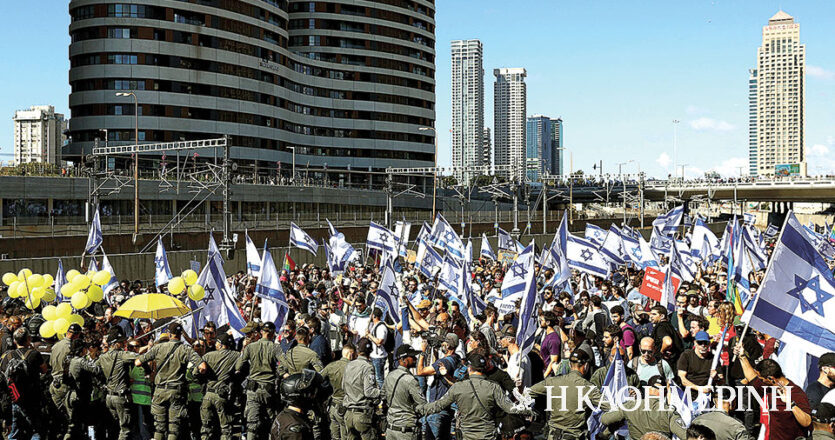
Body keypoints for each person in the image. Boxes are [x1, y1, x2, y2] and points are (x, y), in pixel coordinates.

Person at [420, 352, 531, 440]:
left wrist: (418, 408)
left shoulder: (458, 387)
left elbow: (437, 406)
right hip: (488, 435)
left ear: (469, 368)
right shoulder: (494, 387)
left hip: (467, 435)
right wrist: (529, 411)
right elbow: (511, 408)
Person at [135, 322, 206, 440]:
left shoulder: (158, 348)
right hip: (176, 392)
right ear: (181, 334)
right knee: (174, 428)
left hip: (160, 391)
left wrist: (149, 371)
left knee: (159, 428)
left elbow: (137, 362)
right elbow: (202, 367)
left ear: (169, 334)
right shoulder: (185, 349)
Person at [734, 344, 812, 440]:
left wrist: (791, 404)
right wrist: (742, 356)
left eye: (761, 379)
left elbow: (807, 421)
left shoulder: (796, 393)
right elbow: (751, 377)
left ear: (771, 378)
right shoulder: (769, 387)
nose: (760, 381)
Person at [529, 348, 609, 440]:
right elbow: (609, 406)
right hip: (574, 436)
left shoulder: (553, 381)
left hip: (553, 435)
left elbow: (528, 393)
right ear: (586, 365)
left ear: (570, 365)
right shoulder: (588, 388)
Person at [600, 375, 688, 440]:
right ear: (664, 393)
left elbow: (604, 419)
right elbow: (685, 436)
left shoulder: (630, 406)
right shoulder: (669, 412)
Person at [236, 321, 282, 440]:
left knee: (252, 424)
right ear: (273, 334)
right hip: (269, 389)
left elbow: (238, 366)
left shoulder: (251, 347)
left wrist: (244, 350)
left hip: (253, 390)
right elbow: (284, 364)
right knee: (271, 422)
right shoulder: (275, 347)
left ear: (261, 332)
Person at [1, 328, 47, 439]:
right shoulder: (34, 354)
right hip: (32, 398)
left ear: (14, 341)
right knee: (36, 430)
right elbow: (44, 370)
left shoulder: (7, 356)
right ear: (29, 339)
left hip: (14, 397)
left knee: (15, 430)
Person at [416, 333, 461, 440]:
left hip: (436, 409)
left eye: (444, 342)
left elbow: (420, 371)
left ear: (449, 346)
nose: (442, 344)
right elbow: (437, 369)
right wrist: (435, 351)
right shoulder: (456, 358)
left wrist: (423, 352)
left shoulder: (444, 362)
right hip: (447, 408)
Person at [97, 327, 139, 440]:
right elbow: (139, 358)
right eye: (121, 342)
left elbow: (94, 369)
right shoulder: (121, 355)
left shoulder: (102, 357)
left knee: (114, 428)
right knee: (125, 430)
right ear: (116, 344)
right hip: (120, 397)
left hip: (109, 397)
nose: (124, 343)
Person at [198, 333, 239, 440]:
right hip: (222, 396)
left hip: (207, 395)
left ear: (220, 344)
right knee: (225, 429)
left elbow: (196, 373)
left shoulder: (207, 356)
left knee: (206, 429)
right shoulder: (235, 355)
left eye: (217, 342)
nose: (215, 344)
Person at [383, 345, 426, 440]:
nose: (415, 359)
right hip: (406, 432)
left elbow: (383, 396)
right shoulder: (410, 380)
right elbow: (422, 405)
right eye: (412, 357)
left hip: (391, 429)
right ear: (403, 359)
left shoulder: (390, 376)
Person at [64, 338, 103, 440]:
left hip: (70, 395)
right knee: (84, 423)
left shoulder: (69, 359)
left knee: (73, 424)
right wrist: (98, 359)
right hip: (80, 395)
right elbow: (96, 370)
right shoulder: (81, 361)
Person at [342, 338, 381, 440]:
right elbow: (369, 391)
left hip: (348, 414)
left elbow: (343, 387)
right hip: (362, 415)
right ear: (370, 351)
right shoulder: (368, 367)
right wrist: (382, 392)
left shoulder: (349, 365)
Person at [274, 369, 330, 440]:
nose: (313, 396)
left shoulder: (283, 416)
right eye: (309, 394)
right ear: (298, 397)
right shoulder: (295, 430)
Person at [49, 323, 82, 432]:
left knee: (59, 419)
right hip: (65, 385)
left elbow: (50, 363)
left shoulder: (56, 345)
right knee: (71, 420)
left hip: (54, 383)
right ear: (76, 335)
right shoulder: (71, 348)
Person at [321, 343, 356, 440]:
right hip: (346, 408)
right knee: (346, 435)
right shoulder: (353, 368)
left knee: (335, 435)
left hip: (333, 406)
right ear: (351, 354)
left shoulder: (331, 366)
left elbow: (318, 379)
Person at [368, 308, 389, 389]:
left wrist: (369, 335)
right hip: (374, 355)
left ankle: (382, 395)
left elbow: (379, 341)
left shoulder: (381, 327)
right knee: (374, 377)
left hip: (379, 357)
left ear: (374, 316)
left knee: (379, 378)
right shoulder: (374, 326)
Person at [539, 312, 562, 377]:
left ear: (548, 322)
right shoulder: (547, 335)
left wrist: (544, 376)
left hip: (549, 375)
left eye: (542, 320)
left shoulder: (553, 339)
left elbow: (553, 361)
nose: (540, 322)